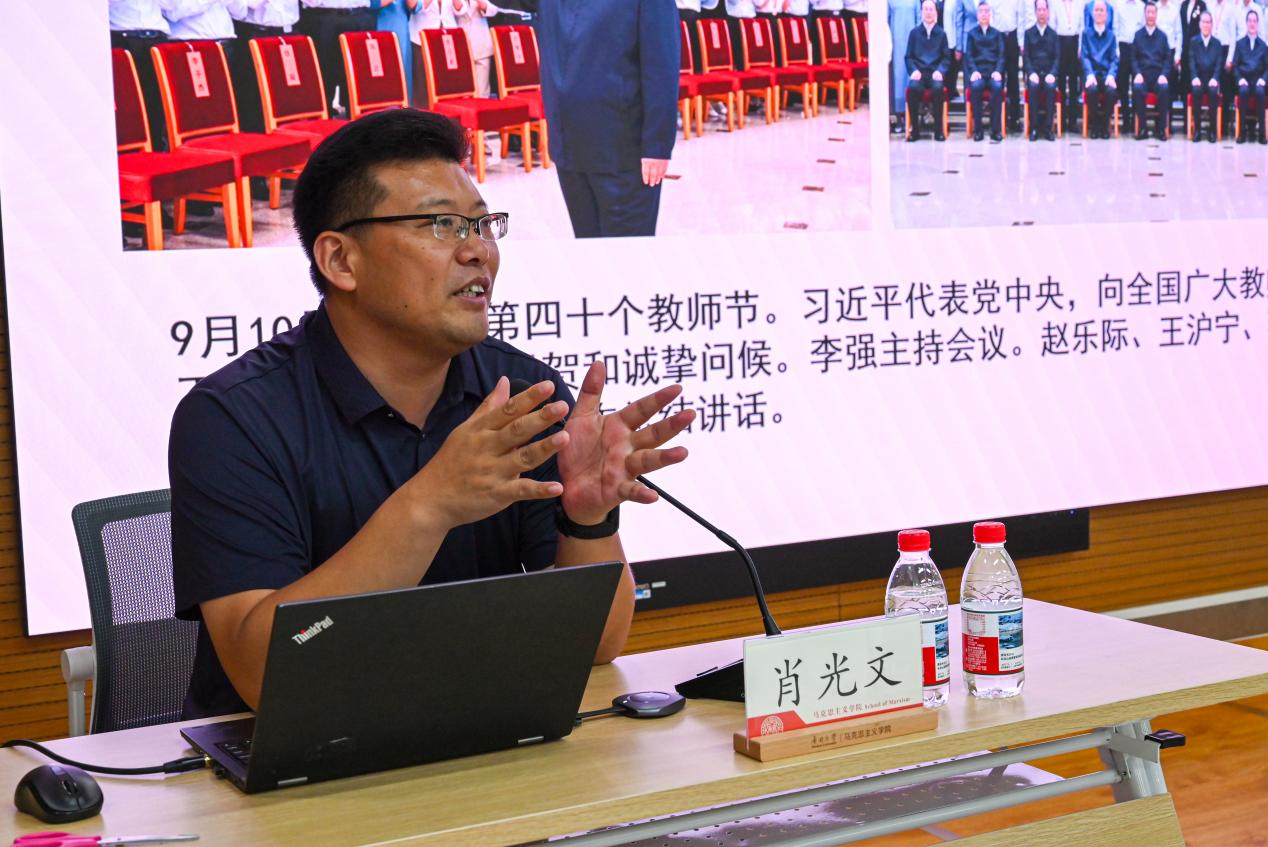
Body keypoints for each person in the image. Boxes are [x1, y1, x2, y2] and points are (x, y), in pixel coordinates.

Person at [170, 109, 697, 719]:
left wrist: (588, 521)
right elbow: (264, 674)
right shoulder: (235, 418)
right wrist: (429, 506)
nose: (478, 251)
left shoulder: (522, 396)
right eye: (441, 225)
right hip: (286, 753)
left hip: (475, 730)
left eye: (483, 224)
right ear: (341, 261)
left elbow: (599, 645)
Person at [537, 0, 679, 238]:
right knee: (587, 244)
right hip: (569, 144)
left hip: (623, 149)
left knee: (626, 251)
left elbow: (661, 66)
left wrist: (657, 146)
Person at [231, 0, 302, 133]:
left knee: (289, 89)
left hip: (289, 31)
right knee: (255, 89)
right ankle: (256, 134)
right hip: (257, 32)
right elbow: (242, 8)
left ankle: (288, 129)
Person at [110, 0, 171, 150]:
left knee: (160, 103)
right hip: (123, 36)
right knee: (129, 103)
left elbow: (172, 6)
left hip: (157, 37)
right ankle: (133, 152)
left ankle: (158, 151)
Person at [300, 0, 380, 116]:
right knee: (323, 74)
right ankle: (324, 120)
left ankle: (357, 120)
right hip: (322, 16)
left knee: (359, 76)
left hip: (360, 16)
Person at [907, 0, 952, 139]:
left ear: (936, 13)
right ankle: (915, 130)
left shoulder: (942, 34)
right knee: (912, 88)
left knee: (938, 89)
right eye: (925, 9)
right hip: (919, 74)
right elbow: (908, 57)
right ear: (921, 12)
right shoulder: (914, 33)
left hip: (935, 73)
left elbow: (946, 57)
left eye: (931, 9)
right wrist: (913, 70)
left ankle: (938, 130)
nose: (928, 12)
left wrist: (940, 71)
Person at [966, 2, 1007, 139]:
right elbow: (969, 56)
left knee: (997, 87)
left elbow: (1001, 55)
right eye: (981, 12)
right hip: (978, 72)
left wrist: (998, 71)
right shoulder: (971, 34)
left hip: (993, 72)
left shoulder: (997, 34)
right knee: (976, 87)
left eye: (986, 11)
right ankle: (978, 130)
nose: (984, 14)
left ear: (990, 14)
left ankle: (995, 130)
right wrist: (974, 71)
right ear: (977, 15)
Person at [1132, 1, 1173, 138]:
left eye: (1153, 12)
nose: (1150, 15)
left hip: (1158, 75)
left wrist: (1164, 75)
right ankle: (1143, 128)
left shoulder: (1163, 36)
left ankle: (1161, 129)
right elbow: (1134, 58)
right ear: (1144, 14)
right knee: (1137, 89)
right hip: (1143, 75)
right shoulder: (1138, 35)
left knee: (1164, 88)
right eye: (1148, 12)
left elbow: (1168, 59)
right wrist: (1137, 73)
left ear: (1156, 14)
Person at [1082, 0, 1120, 136]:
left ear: (1106, 14)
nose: (1099, 13)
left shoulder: (1111, 36)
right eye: (1096, 10)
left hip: (1105, 74)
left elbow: (1114, 59)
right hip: (1092, 74)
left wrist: (1111, 75)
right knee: (1091, 90)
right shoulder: (1086, 34)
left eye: (1101, 10)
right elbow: (1085, 56)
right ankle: (1095, 125)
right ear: (1092, 13)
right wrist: (1089, 74)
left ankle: (1104, 124)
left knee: (1111, 91)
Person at [1024, 0, 1061, 137]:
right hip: (1034, 73)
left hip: (1049, 73)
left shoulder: (1053, 34)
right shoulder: (1028, 33)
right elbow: (1026, 57)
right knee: (1033, 87)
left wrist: (1053, 73)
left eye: (1044, 9)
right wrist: (1031, 73)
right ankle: (1034, 128)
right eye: (1039, 10)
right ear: (1035, 12)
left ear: (1048, 11)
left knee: (1051, 88)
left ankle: (1048, 128)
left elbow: (1057, 58)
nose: (1041, 13)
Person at [1231, 8, 1268, 140]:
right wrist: (1240, 79)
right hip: (1244, 80)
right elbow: (1235, 65)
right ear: (1246, 23)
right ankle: (1242, 132)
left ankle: (1262, 134)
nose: (1252, 23)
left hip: (1258, 81)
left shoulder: (1263, 45)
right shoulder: (1240, 43)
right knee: (1243, 91)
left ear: (1257, 24)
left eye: (1254, 21)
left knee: (1260, 92)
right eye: (1250, 21)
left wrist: (1263, 79)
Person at [1048, 0, 1084, 131]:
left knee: (1074, 84)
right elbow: (1052, 26)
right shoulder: (1056, 3)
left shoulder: (1079, 3)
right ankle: (1061, 120)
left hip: (1074, 42)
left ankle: (1073, 121)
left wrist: (1080, 46)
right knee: (1061, 84)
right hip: (1060, 42)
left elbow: (1082, 27)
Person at [1189, 10, 1225, 139]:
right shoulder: (1194, 42)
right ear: (1199, 24)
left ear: (1212, 24)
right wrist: (1194, 77)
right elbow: (1191, 61)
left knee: (1213, 92)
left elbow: (1219, 63)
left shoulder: (1217, 43)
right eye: (1203, 22)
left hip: (1211, 79)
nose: (1206, 25)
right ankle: (1197, 130)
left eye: (1208, 22)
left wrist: (1215, 78)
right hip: (1198, 78)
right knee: (1196, 91)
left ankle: (1212, 131)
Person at [892, 0, 922, 131]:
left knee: (912, 77)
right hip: (896, 42)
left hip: (913, 43)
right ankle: (899, 117)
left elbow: (919, 20)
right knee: (898, 78)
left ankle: (913, 116)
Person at [1178, 0, 1208, 98]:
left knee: (1195, 78)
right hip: (1185, 47)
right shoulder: (1184, 5)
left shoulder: (1202, 5)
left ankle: (1195, 106)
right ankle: (1185, 105)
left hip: (1197, 48)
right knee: (1185, 78)